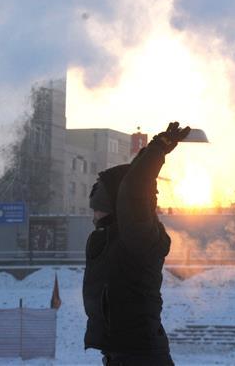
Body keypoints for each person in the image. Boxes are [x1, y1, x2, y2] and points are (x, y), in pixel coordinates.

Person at [83, 122, 191, 366]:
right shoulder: (115, 237)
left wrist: (157, 149)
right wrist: (148, 153)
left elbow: (133, 189)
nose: (94, 215)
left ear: (114, 206)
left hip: (141, 357)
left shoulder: (138, 237)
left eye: (98, 207)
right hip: (122, 355)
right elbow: (129, 182)